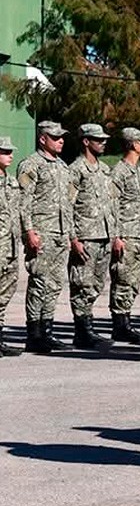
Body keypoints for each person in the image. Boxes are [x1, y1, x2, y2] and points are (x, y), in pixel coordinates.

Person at [19, 121, 74, 353]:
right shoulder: (31, 164)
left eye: (62, 137)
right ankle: (34, 334)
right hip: (42, 233)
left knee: (54, 284)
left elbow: (69, 202)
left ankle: (47, 331)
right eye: (55, 137)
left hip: (60, 233)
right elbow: (24, 201)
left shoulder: (62, 166)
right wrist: (29, 231)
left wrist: (70, 233)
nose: (61, 140)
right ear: (43, 139)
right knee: (39, 282)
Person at [66, 123, 116, 350]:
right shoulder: (76, 170)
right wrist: (73, 239)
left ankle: (89, 328)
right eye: (98, 140)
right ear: (86, 142)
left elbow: (112, 204)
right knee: (82, 285)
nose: (103, 143)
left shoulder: (104, 170)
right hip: (85, 236)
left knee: (96, 284)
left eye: (104, 140)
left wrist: (114, 233)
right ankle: (82, 331)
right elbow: (67, 205)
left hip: (104, 235)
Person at [109, 127, 140, 343]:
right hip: (125, 234)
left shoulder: (138, 172)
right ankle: (120, 324)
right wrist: (116, 236)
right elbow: (112, 205)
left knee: (133, 281)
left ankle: (126, 321)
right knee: (123, 279)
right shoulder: (120, 172)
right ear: (134, 144)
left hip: (138, 235)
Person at [0, 138, 22, 356]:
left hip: (11, 246)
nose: (10, 156)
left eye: (10, 152)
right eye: (5, 152)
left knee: (5, 292)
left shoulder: (12, 181)